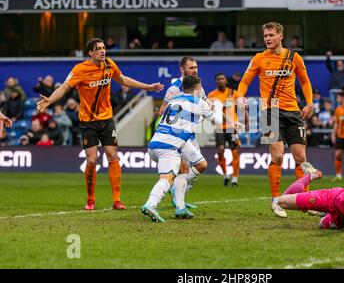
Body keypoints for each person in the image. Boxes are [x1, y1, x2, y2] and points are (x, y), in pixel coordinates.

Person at [37, 38, 164, 210]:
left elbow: (123, 79)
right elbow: (65, 87)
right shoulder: (80, 69)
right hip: (88, 121)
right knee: (92, 160)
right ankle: (90, 200)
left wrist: (147, 87)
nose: (103, 51)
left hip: (106, 119)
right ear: (90, 52)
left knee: (113, 156)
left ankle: (117, 200)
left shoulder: (109, 64)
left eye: (104, 48)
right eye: (98, 49)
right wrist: (50, 100)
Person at [237, 22, 314, 218]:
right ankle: (275, 200)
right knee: (277, 156)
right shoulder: (259, 58)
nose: (268, 39)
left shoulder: (294, 57)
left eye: (271, 35)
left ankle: (305, 201)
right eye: (265, 36)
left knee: (300, 158)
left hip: (293, 112)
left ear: (280, 35)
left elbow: (305, 81)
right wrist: (240, 96)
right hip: (269, 112)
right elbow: (245, 81)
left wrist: (310, 103)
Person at [141, 75, 214, 222]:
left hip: (160, 142)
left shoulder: (175, 99)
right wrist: (235, 124)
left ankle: (180, 208)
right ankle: (150, 204)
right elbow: (216, 119)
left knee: (195, 166)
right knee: (167, 178)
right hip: (170, 145)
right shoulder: (199, 102)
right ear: (198, 88)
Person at [159, 57, 207, 209]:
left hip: (191, 135)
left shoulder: (199, 89)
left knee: (197, 167)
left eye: (196, 67)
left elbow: (205, 106)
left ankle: (178, 195)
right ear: (182, 69)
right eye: (191, 67)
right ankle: (178, 200)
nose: (195, 70)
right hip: (178, 136)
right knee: (190, 166)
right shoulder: (174, 88)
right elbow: (162, 110)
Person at [208, 73, 248, 186]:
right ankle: (225, 175)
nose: (220, 81)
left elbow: (242, 108)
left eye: (222, 79)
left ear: (226, 81)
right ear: (216, 82)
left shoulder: (233, 93)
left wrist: (247, 121)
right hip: (220, 128)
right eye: (218, 79)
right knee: (220, 150)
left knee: (235, 151)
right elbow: (210, 112)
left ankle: (235, 179)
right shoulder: (211, 95)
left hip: (232, 128)